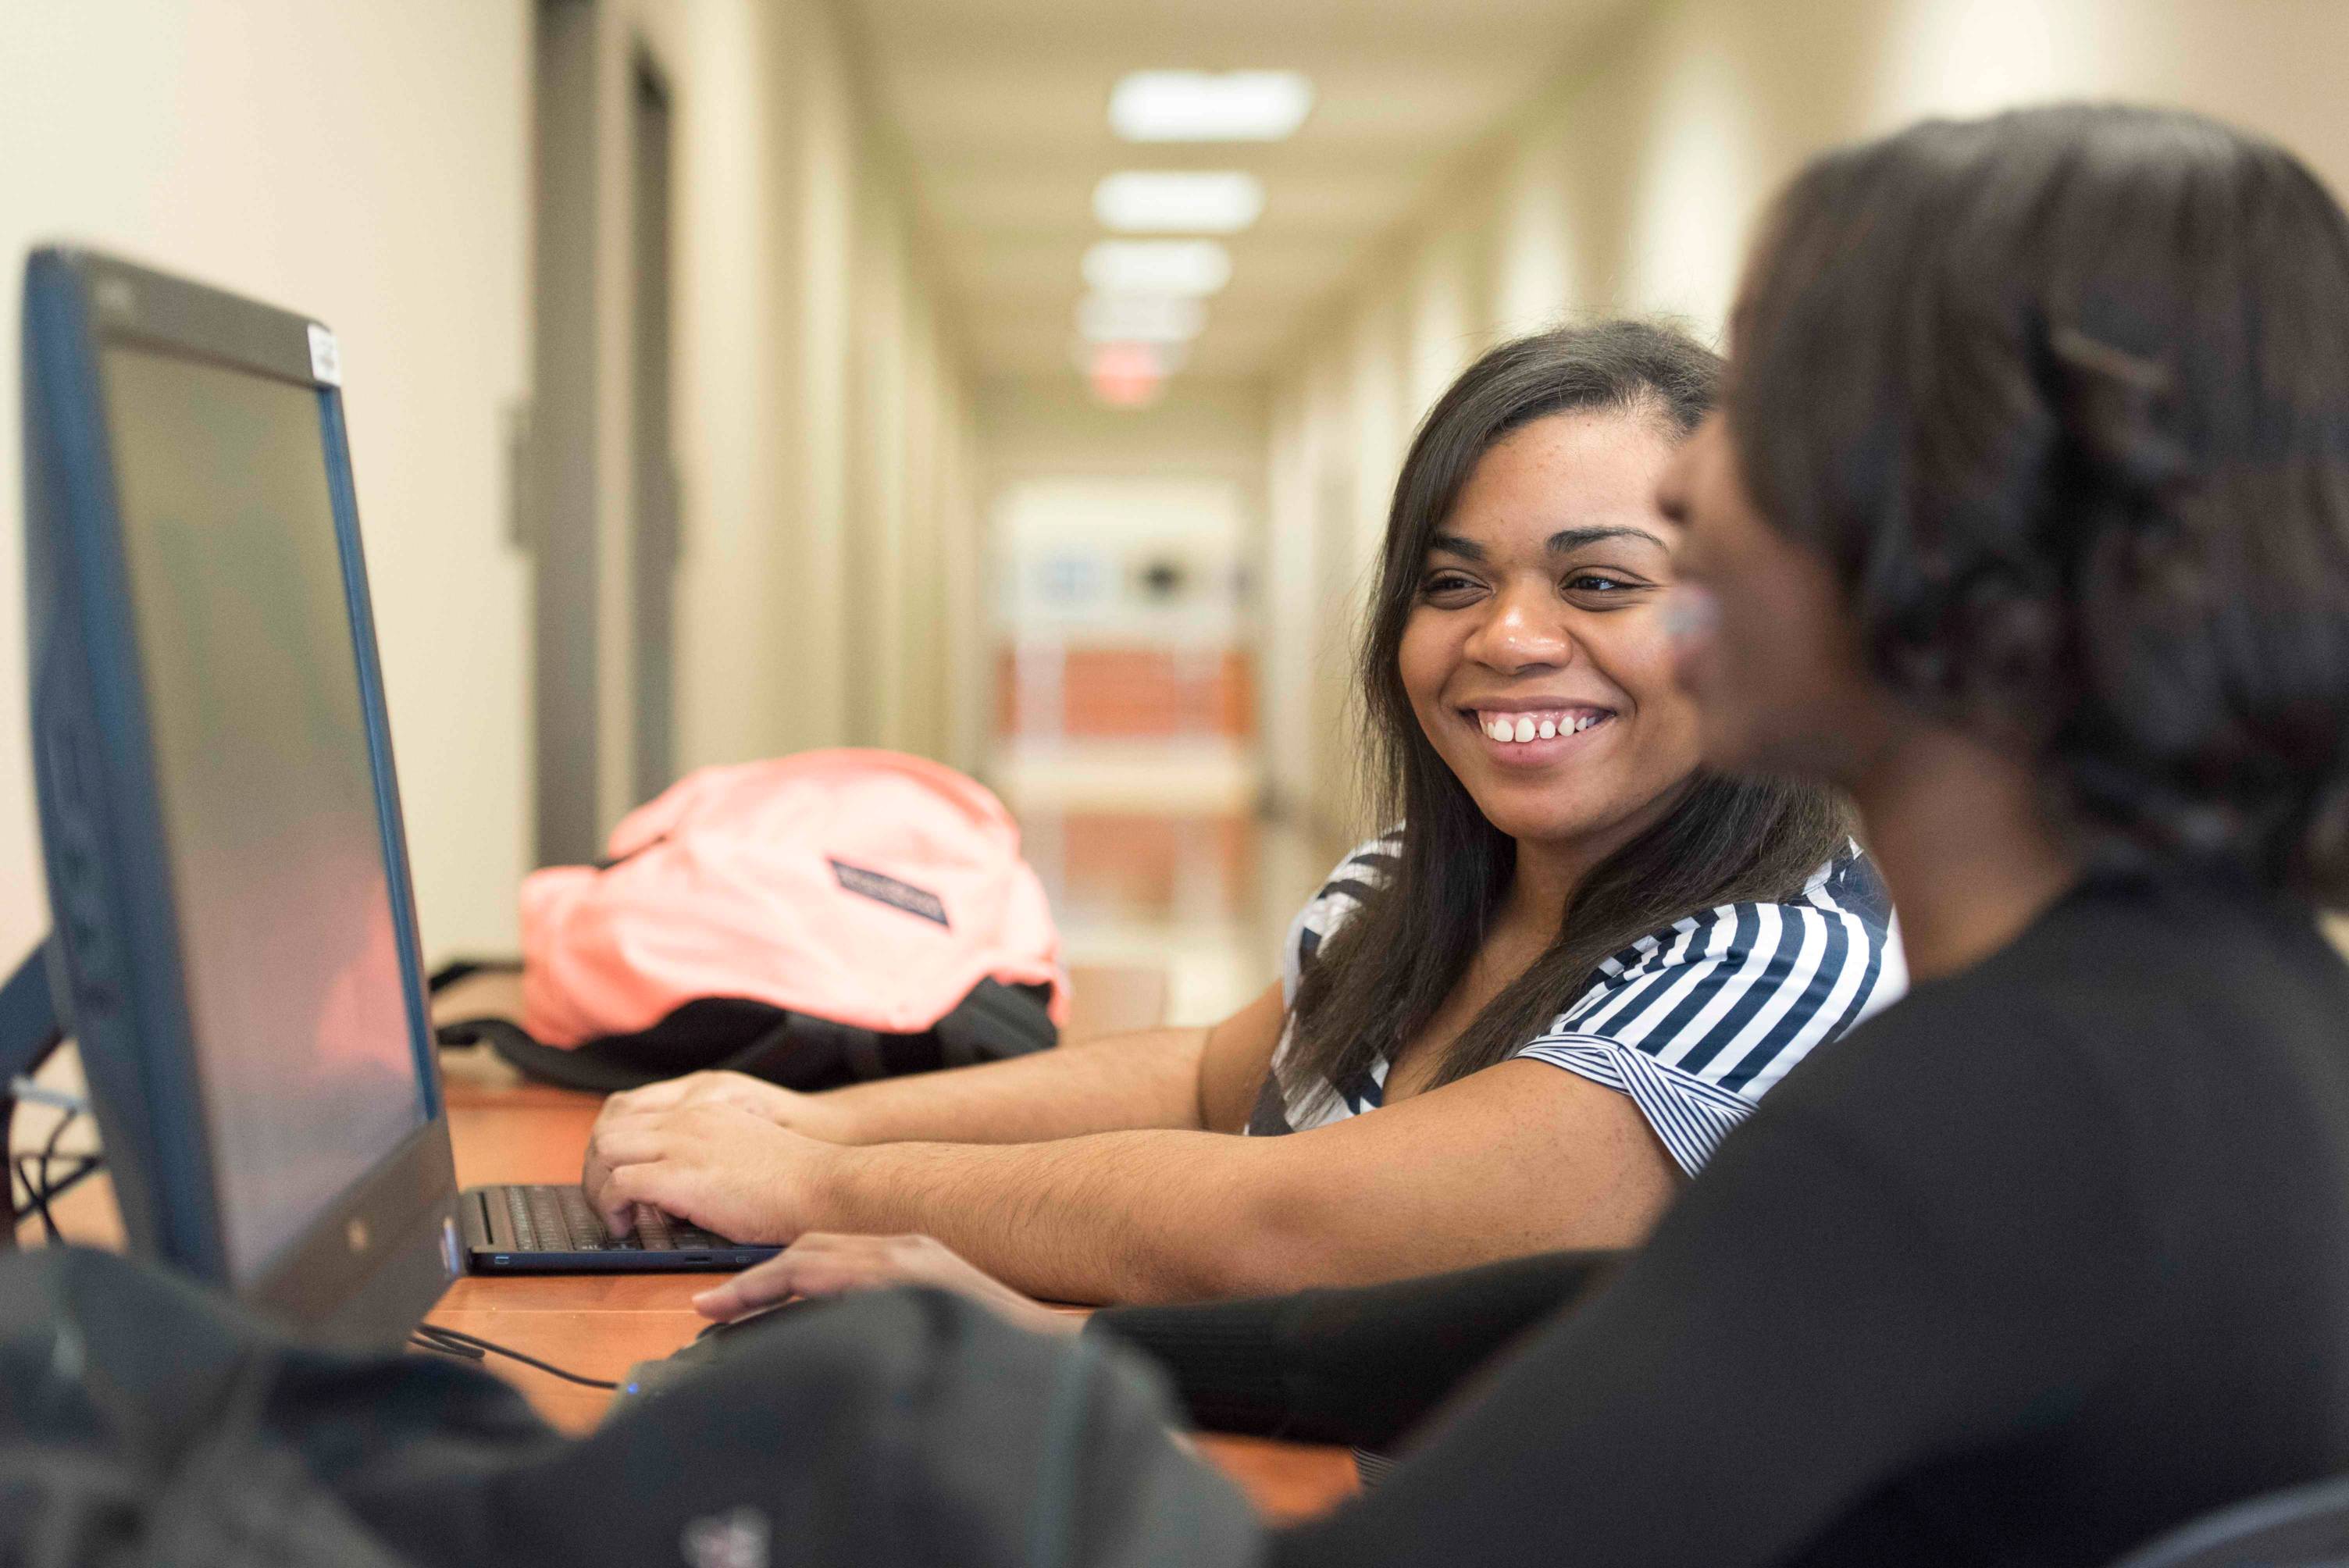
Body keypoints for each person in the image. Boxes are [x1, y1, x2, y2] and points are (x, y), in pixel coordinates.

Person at [704, 104, 2349, 1566]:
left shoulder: (1975, 1113)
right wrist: (1074, 1347)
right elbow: (1651, 1319)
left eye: (1761, 417)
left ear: (1955, 535)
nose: (1696, 497)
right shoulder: (2209, 1015)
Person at [582, 323, 1899, 1306]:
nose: (1506, 637)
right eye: (1453, 581)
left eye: (1601, 582)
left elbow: (1279, 1224)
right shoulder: (1416, 881)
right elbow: (1216, 1078)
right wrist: (806, 1121)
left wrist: (814, 1188)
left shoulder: (1773, 962)